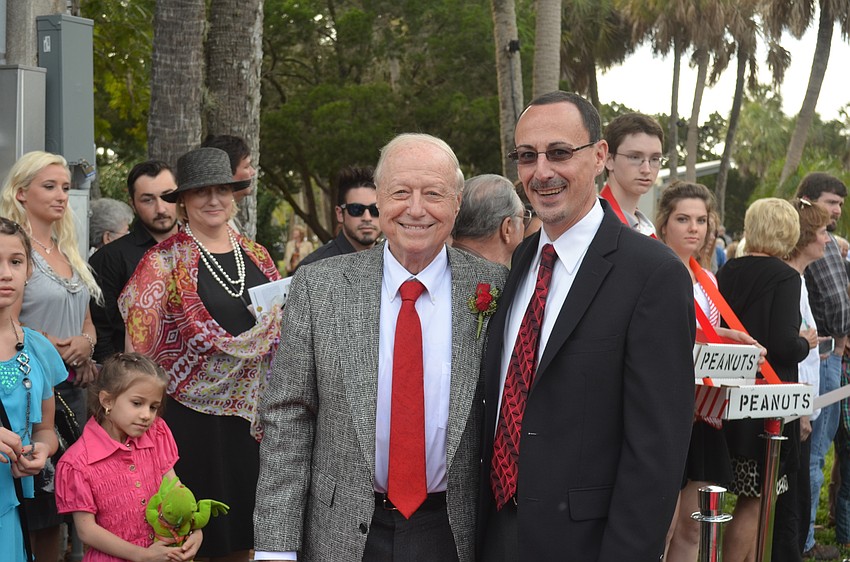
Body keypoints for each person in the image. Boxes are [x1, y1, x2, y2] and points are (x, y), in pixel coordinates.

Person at [253, 133, 508, 561]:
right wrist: (275, 549)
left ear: (458, 202)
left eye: (433, 194)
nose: (415, 209)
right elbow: (288, 419)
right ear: (379, 196)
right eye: (400, 193)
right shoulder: (320, 288)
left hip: (453, 532)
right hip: (341, 531)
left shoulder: (495, 289)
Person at [478, 91, 695, 561]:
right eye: (527, 156)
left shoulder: (652, 275)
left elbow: (657, 450)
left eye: (559, 153)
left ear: (599, 157)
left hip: (586, 545)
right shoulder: (521, 262)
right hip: (494, 534)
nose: (542, 172)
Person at [119, 147, 282, 562]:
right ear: (184, 203)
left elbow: (281, 330)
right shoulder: (161, 263)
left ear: (234, 195)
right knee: (192, 541)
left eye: (223, 190)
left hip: (253, 420)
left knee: (245, 536)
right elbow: (136, 351)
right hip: (188, 421)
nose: (214, 200)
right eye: (201, 192)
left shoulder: (258, 255)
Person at [0, 150, 101, 562]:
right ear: (21, 193)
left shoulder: (66, 250)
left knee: (51, 520)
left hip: (58, 386)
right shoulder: (14, 239)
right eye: (50, 185)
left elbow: (88, 318)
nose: (6, 273)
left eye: (66, 186)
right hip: (29, 368)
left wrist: (86, 343)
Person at [716, 198, 810, 562]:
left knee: (749, 497)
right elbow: (783, 345)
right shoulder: (786, 275)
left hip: (732, 394)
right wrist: (807, 342)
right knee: (756, 502)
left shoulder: (729, 270)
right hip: (767, 402)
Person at [55, 352, 202, 562]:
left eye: (153, 407)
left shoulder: (156, 434)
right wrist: (142, 555)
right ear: (107, 400)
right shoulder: (78, 462)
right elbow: (87, 530)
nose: (147, 415)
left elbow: (176, 492)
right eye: (137, 403)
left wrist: (195, 531)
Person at [654, 181, 731, 561]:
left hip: (705, 413)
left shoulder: (708, 278)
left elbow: (710, 336)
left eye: (701, 220)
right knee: (660, 526)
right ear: (664, 223)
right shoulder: (653, 270)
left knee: (693, 524)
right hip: (665, 411)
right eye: (683, 219)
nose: (693, 228)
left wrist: (739, 341)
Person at [0, 217, 66, 562]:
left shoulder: (38, 349)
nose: (5, 273)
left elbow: (45, 428)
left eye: (15, 261)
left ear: (28, 270)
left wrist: (41, 450)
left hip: (11, 505)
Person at [796, 173, 850, 560]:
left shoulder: (832, 241)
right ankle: (804, 543)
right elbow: (830, 302)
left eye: (840, 204)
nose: (837, 211)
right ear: (807, 201)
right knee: (814, 453)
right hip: (823, 356)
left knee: (823, 449)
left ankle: (808, 531)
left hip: (836, 354)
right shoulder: (802, 236)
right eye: (831, 202)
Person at [89, 160, 179, 363]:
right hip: (135, 377)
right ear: (133, 203)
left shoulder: (198, 248)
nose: (161, 208)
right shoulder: (110, 258)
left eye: (168, 196)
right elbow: (102, 330)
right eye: (148, 200)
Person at [784, 198, 832, 559]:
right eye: (822, 231)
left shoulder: (798, 278)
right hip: (794, 407)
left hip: (803, 404)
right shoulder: (790, 281)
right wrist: (801, 410)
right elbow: (794, 352)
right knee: (793, 496)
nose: (828, 240)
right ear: (804, 238)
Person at [298, 166, 381, 268]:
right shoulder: (311, 269)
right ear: (340, 214)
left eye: (375, 209)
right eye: (356, 209)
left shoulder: (396, 262)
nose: (367, 217)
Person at [599, 112, 665, 236]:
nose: (646, 169)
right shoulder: (592, 221)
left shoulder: (647, 228)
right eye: (635, 157)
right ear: (608, 160)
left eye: (655, 159)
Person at [451, 174, 527, 267]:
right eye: (522, 219)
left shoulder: (435, 266)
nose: (523, 227)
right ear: (507, 228)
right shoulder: (499, 279)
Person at [201, 135, 257, 236]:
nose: (253, 172)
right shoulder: (209, 222)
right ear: (228, 172)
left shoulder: (230, 220)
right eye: (247, 166)